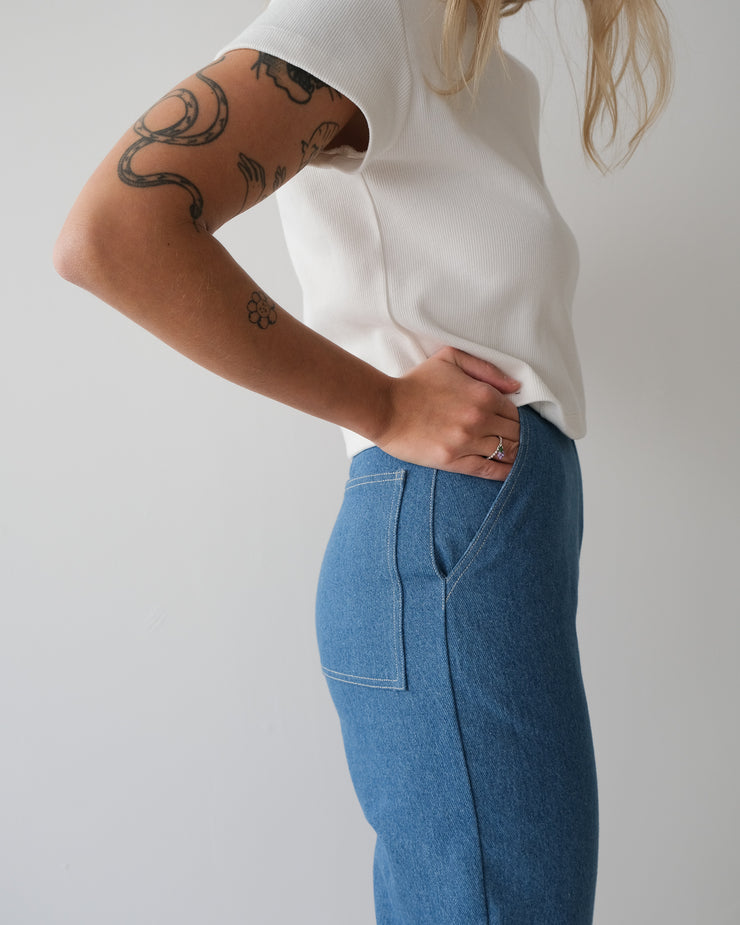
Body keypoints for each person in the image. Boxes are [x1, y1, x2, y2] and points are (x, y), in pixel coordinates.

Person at [53, 0, 674, 921]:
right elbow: (115, 234)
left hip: (490, 535)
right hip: (450, 531)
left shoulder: (484, 69)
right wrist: (383, 404)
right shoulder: (370, 14)